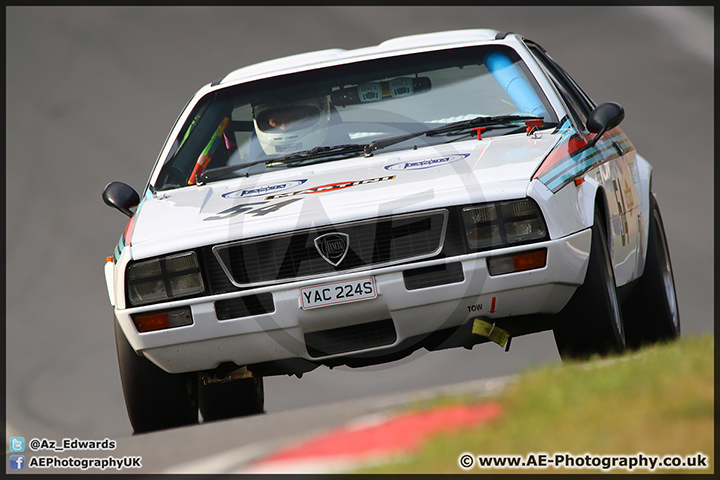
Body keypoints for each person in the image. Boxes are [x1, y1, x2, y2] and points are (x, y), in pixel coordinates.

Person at [252, 96, 332, 155]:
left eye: (296, 119)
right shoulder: (253, 172)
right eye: (276, 121)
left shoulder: (342, 157)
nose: (284, 127)